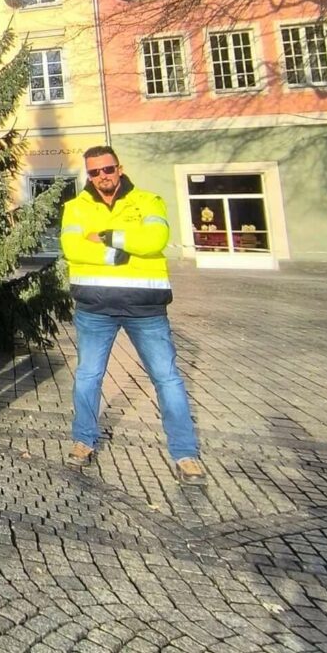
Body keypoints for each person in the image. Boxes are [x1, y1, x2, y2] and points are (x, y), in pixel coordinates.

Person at [60, 146, 207, 485]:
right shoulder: (75, 207)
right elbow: (73, 248)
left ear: (119, 168)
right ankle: (84, 441)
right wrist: (122, 254)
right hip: (95, 308)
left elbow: (155, 238)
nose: (102, 177)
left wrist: (106, 237)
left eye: (107, 169)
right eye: (94, 172)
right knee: (88, 376)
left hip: (145, 307)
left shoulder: (148, 201)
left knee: (167, 378)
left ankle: (185, 453)